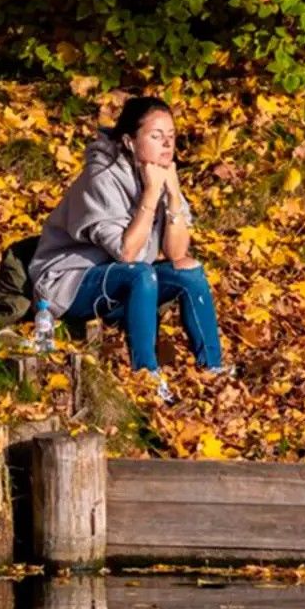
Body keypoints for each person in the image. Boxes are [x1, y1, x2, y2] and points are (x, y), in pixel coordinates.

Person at [28, 96, 228, 400]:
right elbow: (128, 254)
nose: (167, 145)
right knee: (141, 274)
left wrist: (172, 195)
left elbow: (176, 253)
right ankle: (147, 377)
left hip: (125, 274)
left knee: (190, 273)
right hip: (69, 281)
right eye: (156, 136)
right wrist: (150, 195)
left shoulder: (159, 173)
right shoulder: (101, 176)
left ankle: (213, 368)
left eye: (171, 137)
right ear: (130, 142)